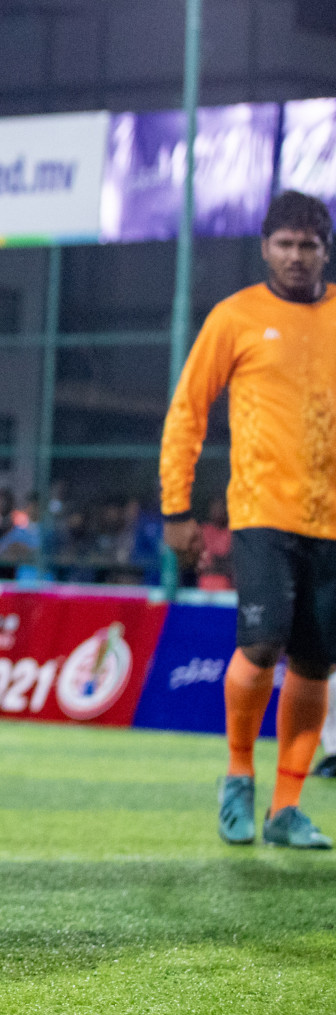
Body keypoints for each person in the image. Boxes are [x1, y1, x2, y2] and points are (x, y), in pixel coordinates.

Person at [160, 190, 336, 850]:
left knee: (318, 665)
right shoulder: (235, 317)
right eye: (284, 244)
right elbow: (187, 412)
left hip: (333, 523)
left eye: (308, 245)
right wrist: (176, 509)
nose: (296, 256)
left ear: (324, 251)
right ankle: (238, 773)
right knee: (263, 643)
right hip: (263, 511)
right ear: (265, 247)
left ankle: (286, 807)